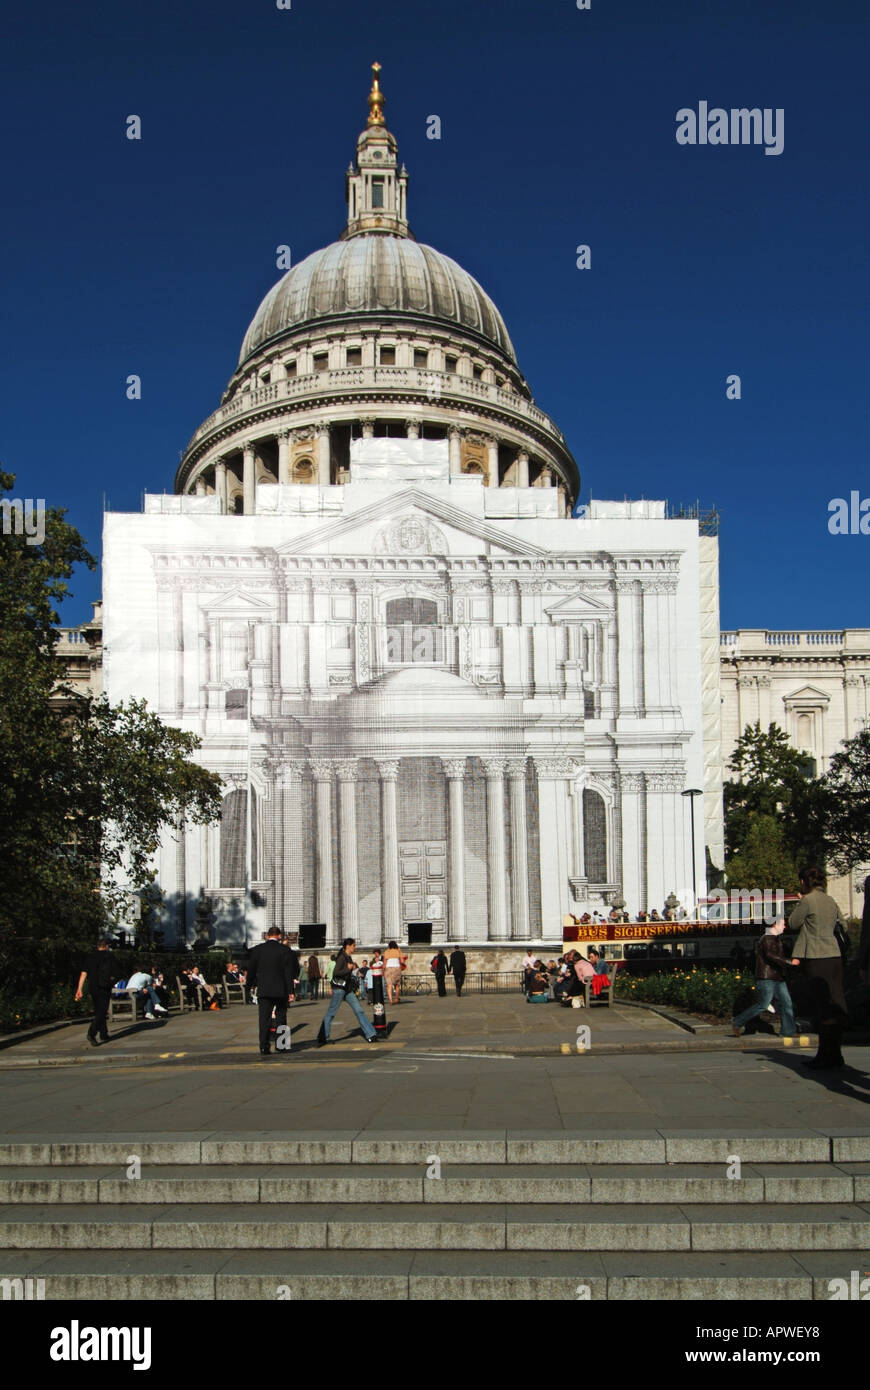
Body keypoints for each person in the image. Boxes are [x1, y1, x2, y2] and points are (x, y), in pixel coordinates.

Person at [789, 867, 849, 1069]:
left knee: (821, 1006)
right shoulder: (830, 900)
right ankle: (834, 1054)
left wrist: (800, 902)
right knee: (835, 1003)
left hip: (816, 956)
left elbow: (793, 923)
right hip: (834, 956)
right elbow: (844, 925)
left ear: (805, 882)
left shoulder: (808, 900)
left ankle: (825, 1056)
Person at [731, 918, 796, 1040]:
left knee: (786, 1002)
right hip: (767, 977)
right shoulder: (766, 938)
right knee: (763, 1004)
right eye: (783, 924)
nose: (785, 926)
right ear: (774, 924)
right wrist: (789, 962)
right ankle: (737, 1022)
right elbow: (771, 956)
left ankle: (788, 1031)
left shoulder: (776, 939)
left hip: (778, 977)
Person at [246, 926, 299, 1056]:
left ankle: (264, 1046)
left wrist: (249, 986)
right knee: (281, 1017)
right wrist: (291, 991)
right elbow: (288, 973)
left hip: (264, 989)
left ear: (267, 936)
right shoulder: (285, 950)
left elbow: (251, 970)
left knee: (264, 1019)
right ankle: (281, 1045)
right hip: (281, 989)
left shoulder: (258, 950)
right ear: (279, 936)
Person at [318, 938, 379, 1045]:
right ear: (348, 946)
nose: (355, 947)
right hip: (339, 989)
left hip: (347, 989)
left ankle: (371, 1034)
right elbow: (336, 972)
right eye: (354, 945)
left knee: (359, 1010)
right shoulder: (342, 957)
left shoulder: (348, 957)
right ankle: (323, 1037)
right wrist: (348, 968)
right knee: (331, 1013)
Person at [75, 937, 121, 1047]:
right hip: (104, 987)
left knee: (98, 1010)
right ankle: (91, 1033)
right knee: (102, 1011)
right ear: (106, 946)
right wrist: (111, 982)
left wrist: (79, 989)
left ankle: (103, 1033)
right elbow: (118, 973)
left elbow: (83, 974)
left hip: (93, 987)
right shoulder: (109, 956)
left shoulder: (90, 957)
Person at [383, 940, 405, 1005]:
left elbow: (384, 963)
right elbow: (402, 961)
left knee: (389, 985)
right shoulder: (398, 951)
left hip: (388, 968)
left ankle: (390, 1000)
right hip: (397, 968)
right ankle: (396, 998)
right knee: (397, 985)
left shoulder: (386, 952)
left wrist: (383, 971)